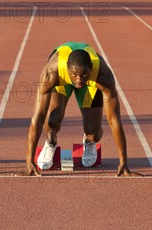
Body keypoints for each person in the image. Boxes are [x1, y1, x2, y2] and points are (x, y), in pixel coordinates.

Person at [20, 42, 140, 177]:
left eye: (83, 75)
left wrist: (123, 162)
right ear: (67, 69)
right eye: (74, 75)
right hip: (61, 81)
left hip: (91, 84)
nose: (78, 81)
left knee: (93, 133)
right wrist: (29, 161)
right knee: (52, 121)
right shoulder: (51, 74)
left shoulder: (103, 75)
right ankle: (51, 142)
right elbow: (37, 118)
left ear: (91, 68)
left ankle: (88, 142)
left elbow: (114, 119)